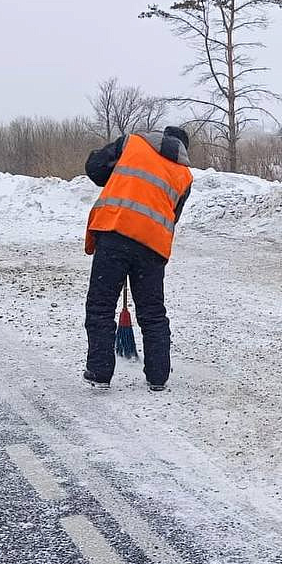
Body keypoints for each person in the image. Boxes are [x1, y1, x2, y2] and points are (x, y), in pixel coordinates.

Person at [82, 126, 193, 392]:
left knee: (100, 306)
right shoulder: (185, 176)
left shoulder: (133, 143)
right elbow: (172, 215)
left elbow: (95, 167)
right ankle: (158, 377)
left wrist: (117, 175)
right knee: (153, 312)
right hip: (152, 246)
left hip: (115, 232)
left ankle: (99, 372)